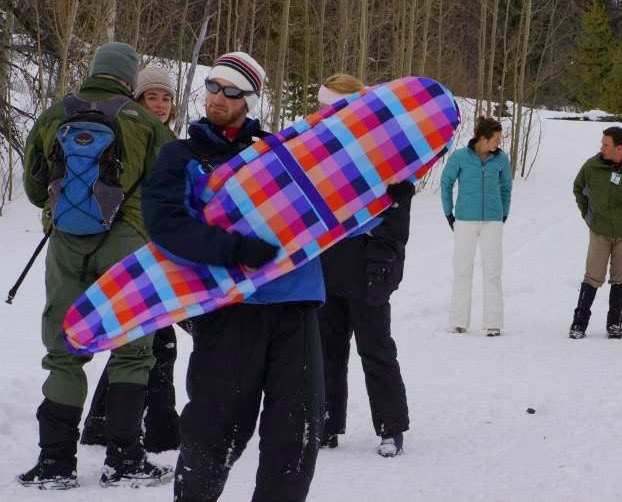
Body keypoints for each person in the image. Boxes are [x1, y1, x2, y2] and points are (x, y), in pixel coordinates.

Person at [141, 52, 325, 501]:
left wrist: (387, 193)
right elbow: (165, 224)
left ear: (250, 100)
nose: (218, 97)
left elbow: (331, 209)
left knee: (295, 435)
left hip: (296, 303)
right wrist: (234, 250)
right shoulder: (182, 156)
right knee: (214, 431)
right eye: (213, 86)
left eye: (232, 91)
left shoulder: (278, 152)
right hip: (229, 309)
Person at [17, 42, 174, 489]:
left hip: (66, 243)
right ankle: (123, 460)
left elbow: (33, 188)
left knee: (63, 352)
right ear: (129, 77)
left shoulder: (54, 114)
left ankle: (54, 463)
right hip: (128, 244)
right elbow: (170, 185)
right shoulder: (144, 120)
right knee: (132, 351)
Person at [82, 64, 181, 454]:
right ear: (137, 99)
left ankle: (99, 424)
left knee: (138, 338)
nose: (159, 104)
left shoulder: (162, 136)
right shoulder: (140, 136)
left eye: (166, 97)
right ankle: (161, 432)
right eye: (151, 96)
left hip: (149, 251)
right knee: (157, 341)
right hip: (135, 250)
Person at [313, 73, 413, 458]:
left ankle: (391, 426)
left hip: (370, 266)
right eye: (323, 108)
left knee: (375, 348)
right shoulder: (317, 150)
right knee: (327, 349)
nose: (327, 114)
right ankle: (326, 422)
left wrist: (382, 265)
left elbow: (396, 221)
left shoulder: (386, 151)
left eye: (334, 107)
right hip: (328, 266)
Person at [569, 126, 622, 339]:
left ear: (619, 148)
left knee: (619, 277)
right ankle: (579, 323)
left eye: (605, 144)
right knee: (593, 276)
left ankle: (614, 323)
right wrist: (588, 215)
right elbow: (578, 188)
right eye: (602, 143)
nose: (601, 148)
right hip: (599, 231)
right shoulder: (592, 166)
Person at [440, 117, 512, 336]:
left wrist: (503, 213)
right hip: (464, 220)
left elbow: (506, 188)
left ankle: (493, 322)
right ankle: (458, 321)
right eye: (496, 139)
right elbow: (446, 183)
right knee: (462, 269)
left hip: (492, 221)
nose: (499, 142)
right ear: (483, 138)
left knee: (493, 271)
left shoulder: (501, 159)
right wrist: (449, 213)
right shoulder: (460, 157)